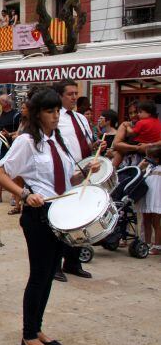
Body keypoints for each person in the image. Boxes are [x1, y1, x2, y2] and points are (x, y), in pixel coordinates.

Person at [0, 86, 100, 345]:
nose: (56, 116)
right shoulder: (27, 141)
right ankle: (28, 335)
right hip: (39, 216)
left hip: (60, 213)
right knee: (39, 276)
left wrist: (84, 172)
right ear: (38, 114)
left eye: (57, 111)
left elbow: (64, 181)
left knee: (50, 273)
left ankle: (37, 328)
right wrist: (24, 194)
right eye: (50, 111)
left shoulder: (57, 140)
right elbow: (1, 173)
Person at [53, 79, 102, 281]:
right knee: (61, 220)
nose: (74, 97)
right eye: (70, 94)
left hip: (84, 172)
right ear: (60, 96)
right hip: (66, 174)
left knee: (80, 218)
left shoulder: (81, 118)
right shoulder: (56, 118)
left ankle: (73, 262)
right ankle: (55, 265)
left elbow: (85, 143)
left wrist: (95, 145)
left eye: (76, 93)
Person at [0, 94, 19, 203]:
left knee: (12, 170)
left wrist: (9, 134)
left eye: (0, 101)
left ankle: (14, 195)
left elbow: (21, 130)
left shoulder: (16, 115)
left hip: (11, 145)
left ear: (6, 103)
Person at [139, 145, 161, 255]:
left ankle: (157, 246)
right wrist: (141, 166)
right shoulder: (148, 167)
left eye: (150, 157)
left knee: (156, 223)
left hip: (157, 199)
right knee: (146, 221)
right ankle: (146, 243)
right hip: (147, 197)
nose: (147, 159)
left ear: (157, 158)